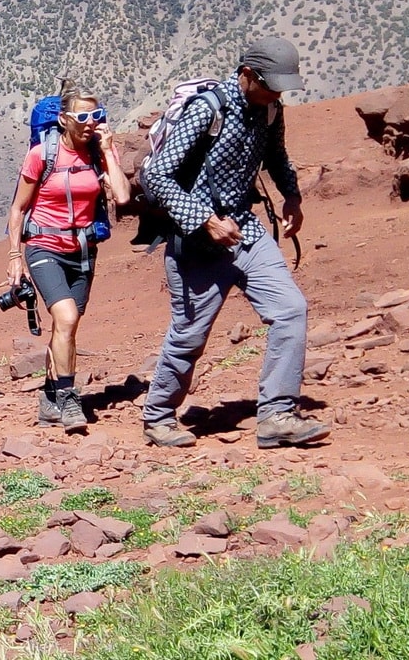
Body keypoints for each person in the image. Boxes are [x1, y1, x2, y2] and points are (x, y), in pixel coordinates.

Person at [140, 37, 329, 450]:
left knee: (290, 310)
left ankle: (277, 416)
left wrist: (291, 196)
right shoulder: (207, 109)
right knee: (190, 335)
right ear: (247, 75)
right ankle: (158, 416)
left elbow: (276, 156)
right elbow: (157, 177)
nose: (277, 93)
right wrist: (204, 221)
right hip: (197, 242)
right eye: (271, 85)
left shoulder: (270, 110)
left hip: (245, 229)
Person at [5, 90, 131, 433]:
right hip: (44, 246)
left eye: (97, 115)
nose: (90, 124)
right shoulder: (41, 154)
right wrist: (15, 256)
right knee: (66, 315)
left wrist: (107, 151)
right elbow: (18, 208)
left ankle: (49, 399)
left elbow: (122, 195)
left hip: (83, 251)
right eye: (82, 117)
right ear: (64, 120)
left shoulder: (99, 152)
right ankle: (69, 399)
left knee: (67, 327)